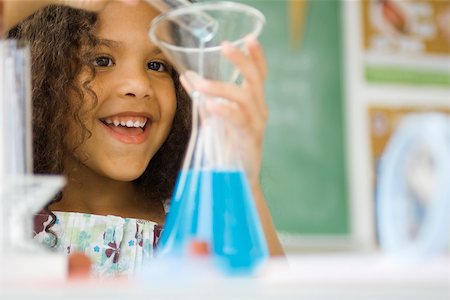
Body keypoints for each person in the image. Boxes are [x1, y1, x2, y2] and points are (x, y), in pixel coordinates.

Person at [2, 0, 284, 277]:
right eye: (102, 60)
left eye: (157, 65)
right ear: (42, 77)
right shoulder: (10, 220)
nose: (138, 85)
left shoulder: (198, 222)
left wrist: (242, 182)